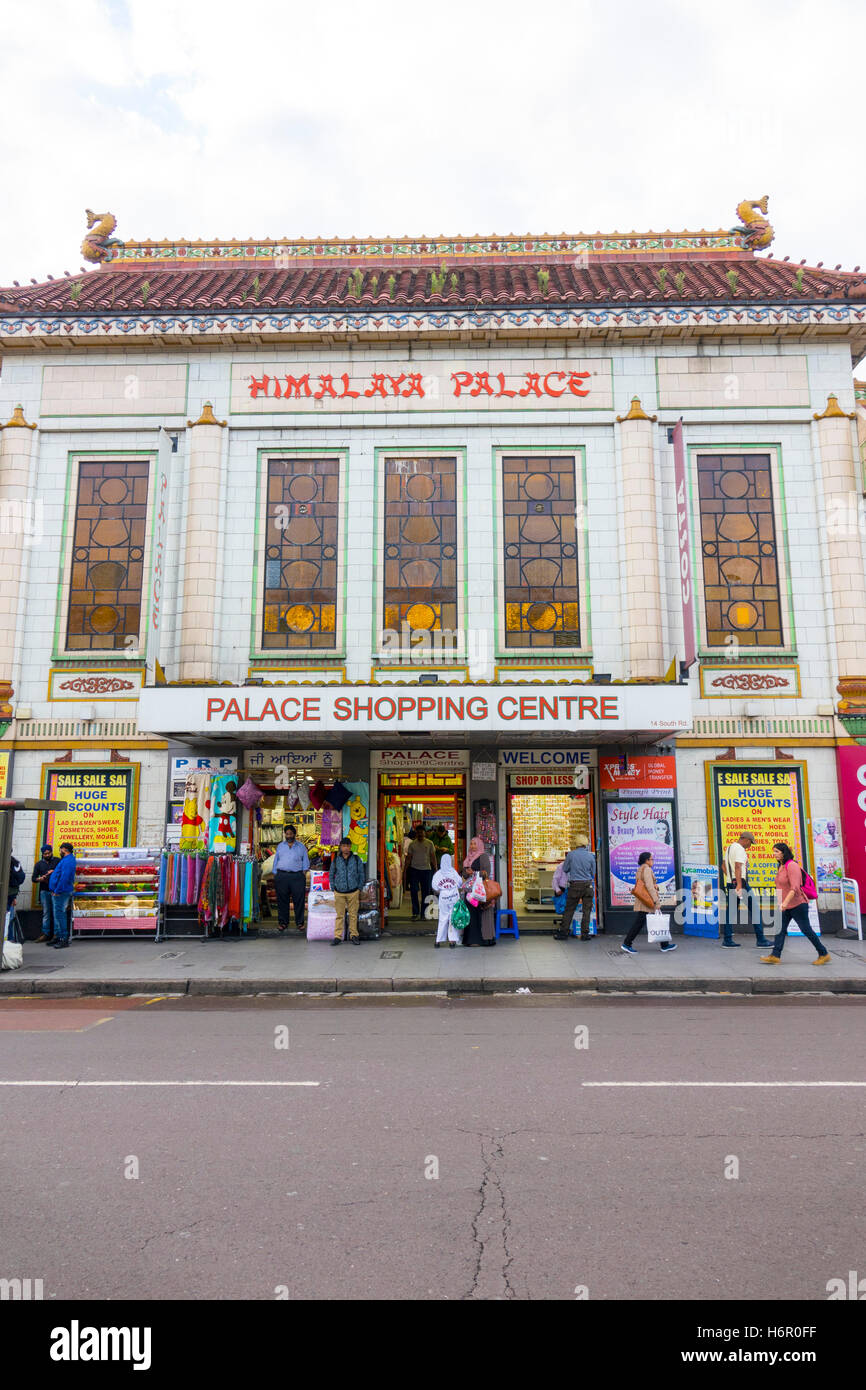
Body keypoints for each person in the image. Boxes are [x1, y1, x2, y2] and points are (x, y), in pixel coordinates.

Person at [761, 843, 830, 966]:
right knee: (780, 929)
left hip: (798, 904)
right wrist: (780, 903)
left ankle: (823, 953)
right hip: (785, 905)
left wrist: (785, 903)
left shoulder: (792, 866)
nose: (774, 854)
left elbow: (795, 888)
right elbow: (780, 886)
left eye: (777, 851)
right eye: (774, 851)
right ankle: (775, 956)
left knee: (806, 929)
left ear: (783, 852)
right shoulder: (781, 866)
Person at [621, 851, 677, 954]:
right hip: (647, 901)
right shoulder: (647, 869)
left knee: (652, 920)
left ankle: (664, 945)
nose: (653, 861)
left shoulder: (641, 869)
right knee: (640, 923)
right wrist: (656, 901)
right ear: (647, 860)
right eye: (652, 859)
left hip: (643, 899)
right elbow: (649, 887)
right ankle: (627, 943)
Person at [723, 831, 770, 948]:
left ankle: (727, 940)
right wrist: (739, 884)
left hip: (731, 883)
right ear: (746, 840)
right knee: (755, 910)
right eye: (750, 843)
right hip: (741, 884)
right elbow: (738, 866)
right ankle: (761, 940)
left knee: (731, 913)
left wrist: (731, 878)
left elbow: (723, 866)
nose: (750, 846)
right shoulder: (739, 849)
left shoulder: (729, 847)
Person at [554, 833, 595, 940]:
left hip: (575, 885)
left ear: (575, 844)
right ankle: (585, 934)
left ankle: (563, 933)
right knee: (587, 910)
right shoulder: (590, 856)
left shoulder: (571, 855)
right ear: (586, 844)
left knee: (569, 909)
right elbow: (593, 872)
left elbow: (565, 869)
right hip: (587, 885)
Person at [271, 824, 310, 932]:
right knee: (282, 900)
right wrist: (275, 873)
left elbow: (305, 862)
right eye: (287, 834)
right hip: (282, 876)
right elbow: (276, 860)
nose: (288, 836)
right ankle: (283, 923)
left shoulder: (301, 846)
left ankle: (300, 923)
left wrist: (303, 873)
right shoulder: (280, 846)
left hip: (297, 876)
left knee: (299, 900)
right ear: (285, 834)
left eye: (290, 834)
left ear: (294, 834)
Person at [331, 836, 365, 946]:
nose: (346, 848)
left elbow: (361, 874)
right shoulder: (336, 859)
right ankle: (337, 937)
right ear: (340, 847)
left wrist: (359, 888)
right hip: (339, 891)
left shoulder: (356, 859)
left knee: (353, 915)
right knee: (339, 915)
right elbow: (331, 874)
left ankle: (354, 935)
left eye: (348, 846)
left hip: (353, 891)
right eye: (344, 846)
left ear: (350, 847)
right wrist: (333, 887)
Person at [462, 836, 496, 947]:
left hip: (480, 891)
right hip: (470, 892)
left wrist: (475, 872)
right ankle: (471, 940)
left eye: (474, 844)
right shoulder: (468, 858)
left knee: (479, 913)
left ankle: (482, 939)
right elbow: (464, 874)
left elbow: (487, 873)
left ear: (479, 845)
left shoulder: (483, 856)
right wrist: (467, 873)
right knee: (470, 914)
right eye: (471, 844)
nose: (472, 846)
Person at [47, 842, 77, 949]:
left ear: (64, 849)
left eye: (60, 849)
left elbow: (65, 877)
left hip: (61, 892)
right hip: (60, 891)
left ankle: (64, 938)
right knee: (58, 915)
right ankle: (59, 936)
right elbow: (62, 873)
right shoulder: (67, 860)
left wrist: (57, 890)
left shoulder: (68, 860)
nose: (59, 851)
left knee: (60, 915)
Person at [404, 826, 437, 921]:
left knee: (425, 893)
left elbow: (433, 857)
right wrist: (405, 869)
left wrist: (435, 869)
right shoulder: (412, 844)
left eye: (422, 833)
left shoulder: (430, 843)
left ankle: (423, 914)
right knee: (414, 892)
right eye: (418, 833)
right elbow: (409, 858)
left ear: (425, 833)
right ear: (416, 833)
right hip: (414, 870)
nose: (420, 835)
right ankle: (415, 913)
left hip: (426, 870)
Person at [431, 852, 462, 948]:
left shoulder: (438, 874)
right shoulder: (453, 872)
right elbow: (460, 883)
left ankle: (438, 941)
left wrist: (441, 890)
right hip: (454, 897)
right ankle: (452, 941)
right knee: (453, 918)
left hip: (443, 897)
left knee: (442, 918)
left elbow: (434, 887)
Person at [32, 843, 59, 943]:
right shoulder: (39, 864)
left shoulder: (57, 861)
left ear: (51, 852)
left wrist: (54, 871)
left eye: (49, 853)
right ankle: (46, 934)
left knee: (56, 913)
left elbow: (62, 872)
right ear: (42, 854)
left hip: (56, 891)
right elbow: (33, 879)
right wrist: (40, 878)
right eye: (45, 854)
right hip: (44, 891)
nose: (47, 855)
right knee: (46, 913)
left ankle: (57, 934)